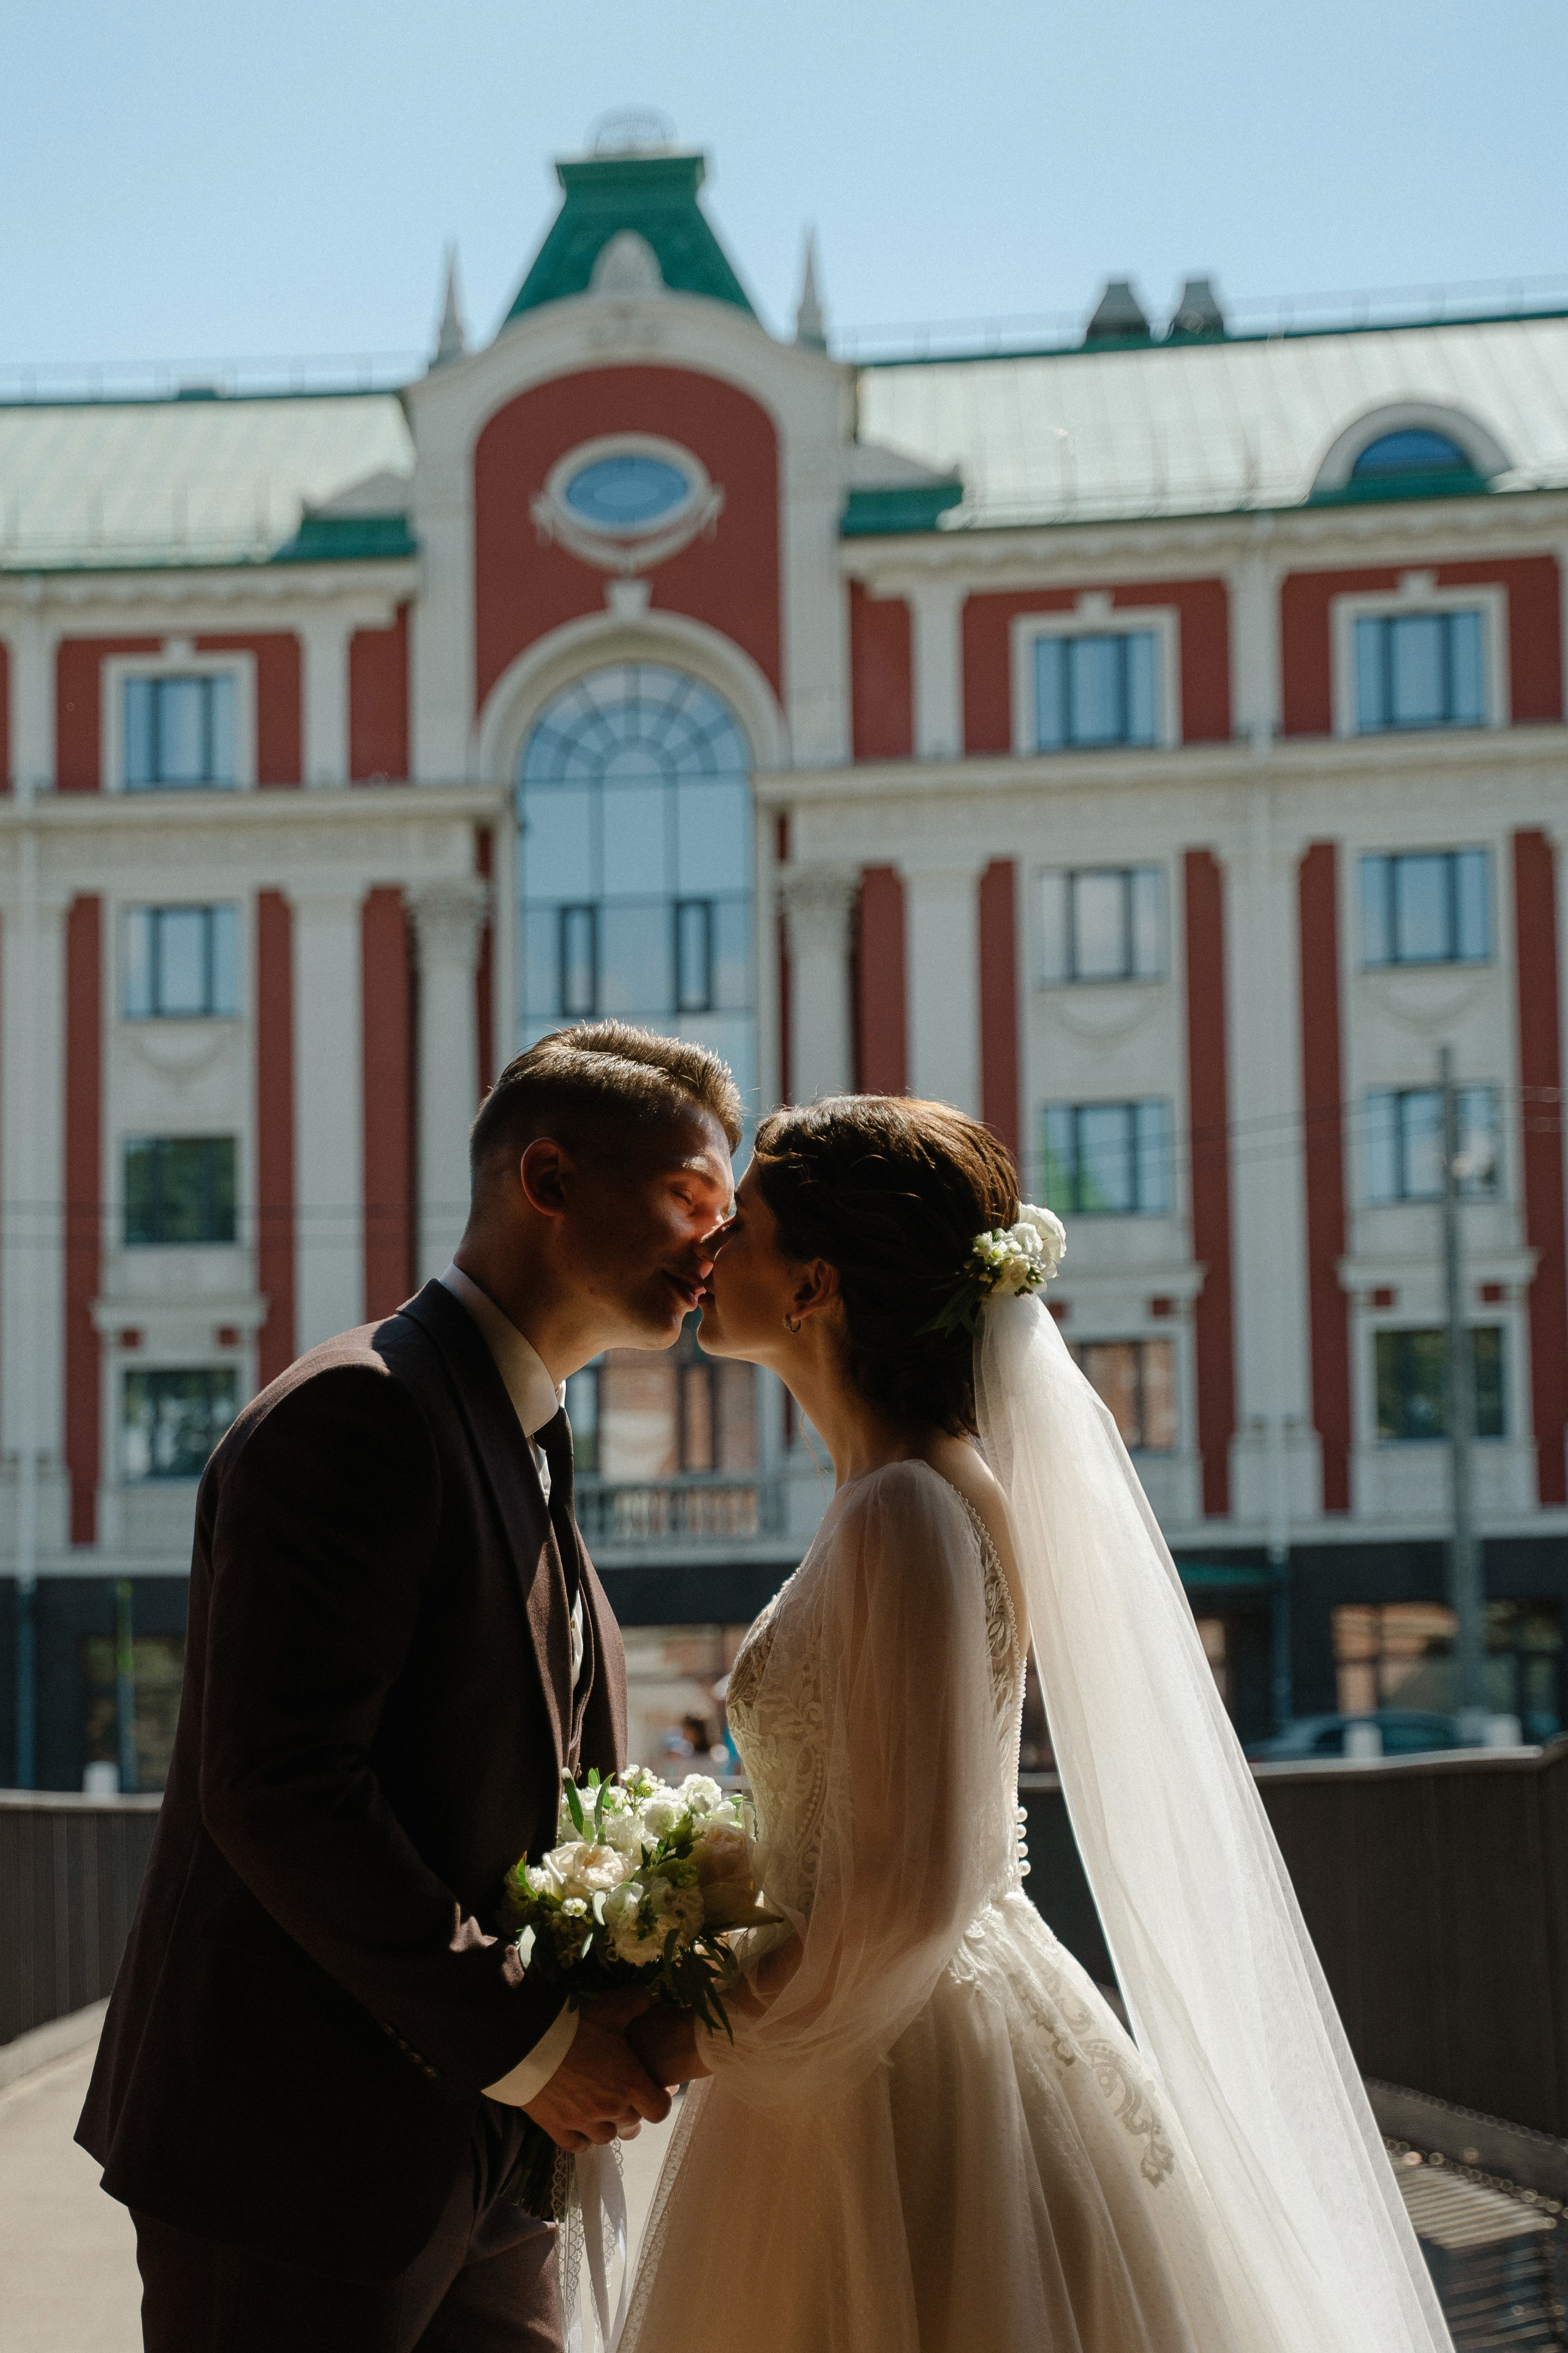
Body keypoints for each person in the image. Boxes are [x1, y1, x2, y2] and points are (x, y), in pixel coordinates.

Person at [623, 1096, 1454, 2353]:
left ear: (813, 1284)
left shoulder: (903, 1505)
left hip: (884, 2071)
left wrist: (687, 2030)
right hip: (874, 2024)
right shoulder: (903, 1490)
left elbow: (912, 1886)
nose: (709, 1246)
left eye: (741, 1223)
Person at [77, 1022, 741, 2353]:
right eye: (689, 1197)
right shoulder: (358, 1413)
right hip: (293, 2162)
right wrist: (539, 2045)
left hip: (480, 2159)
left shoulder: (526, 1437)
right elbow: (279, 1789)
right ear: (545, 1180)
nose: (712, 1247)